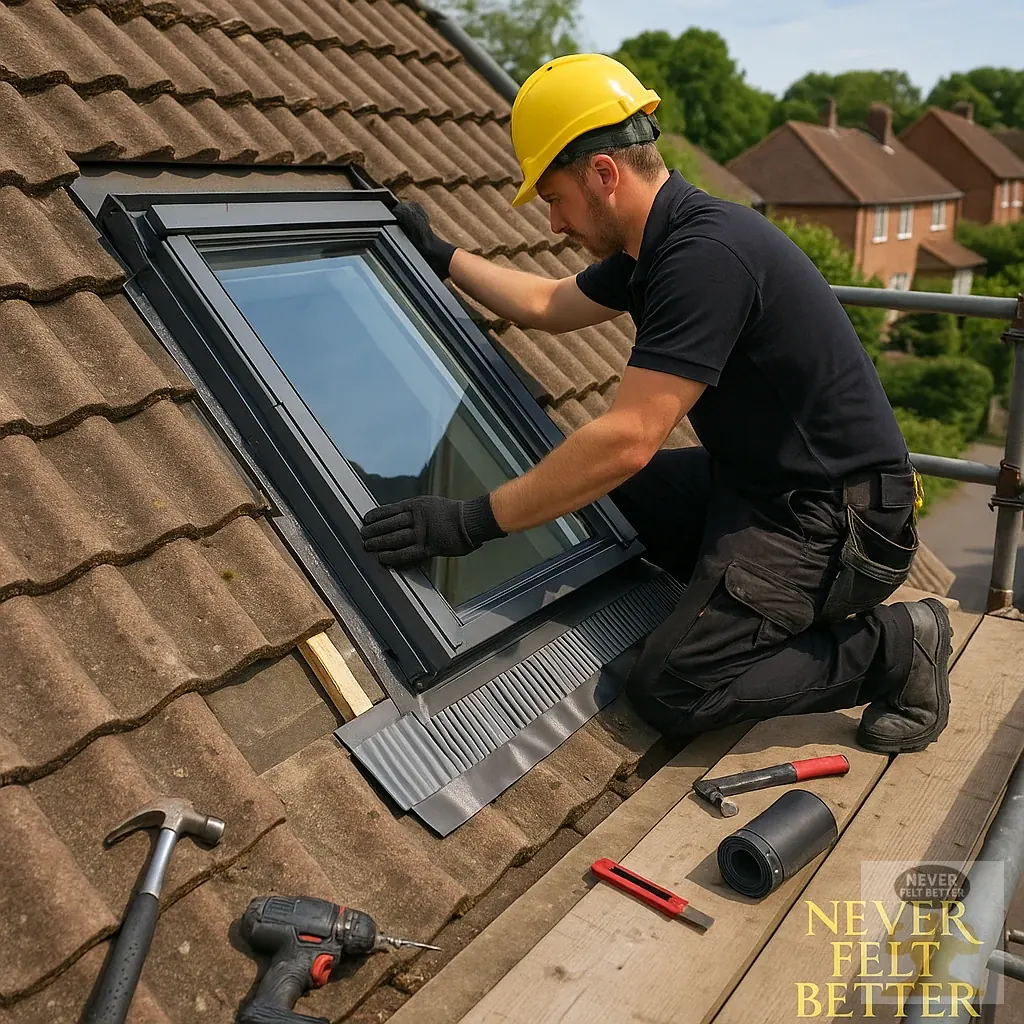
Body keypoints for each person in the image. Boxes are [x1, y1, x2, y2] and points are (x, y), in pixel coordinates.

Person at [359, 53, 952, 754]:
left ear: (604, 175)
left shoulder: (704, 256)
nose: (552, 222)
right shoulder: (657, 245)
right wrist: (441, 255)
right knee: (595, 494)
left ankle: (899, 646)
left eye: (555, 197)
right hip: (763, 487)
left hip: (839, 523)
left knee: (671, 685)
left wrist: (471, 521)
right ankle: (738, 606)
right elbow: (550, 304)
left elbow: (629, 437)